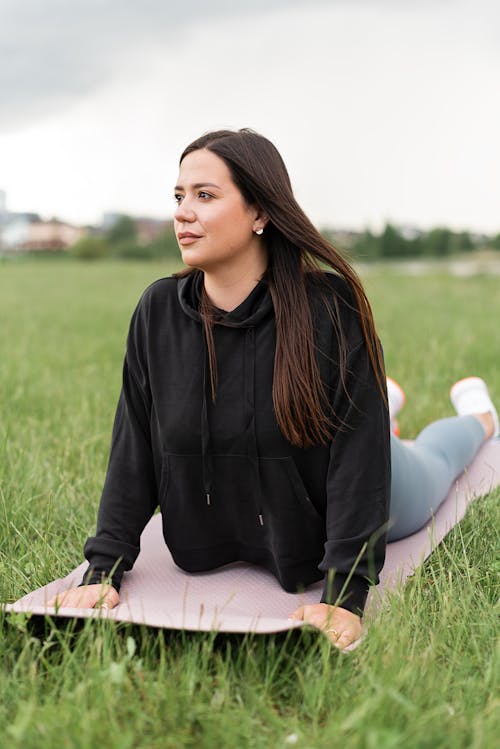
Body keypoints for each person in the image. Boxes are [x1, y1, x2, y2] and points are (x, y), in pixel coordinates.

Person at [48, 128, 499, 650]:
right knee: (329, 412)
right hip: (273, 460)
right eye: (178, 196)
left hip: (364, 482)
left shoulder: (329, 309)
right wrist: (103, 572)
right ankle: (384, 398)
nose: (182, 212)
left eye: (205, 195)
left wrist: (344, 596)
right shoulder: (158, 312)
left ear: (260, 213)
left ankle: (477, 417)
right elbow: (133, 448)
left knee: (436, 462)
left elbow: (356, 459)